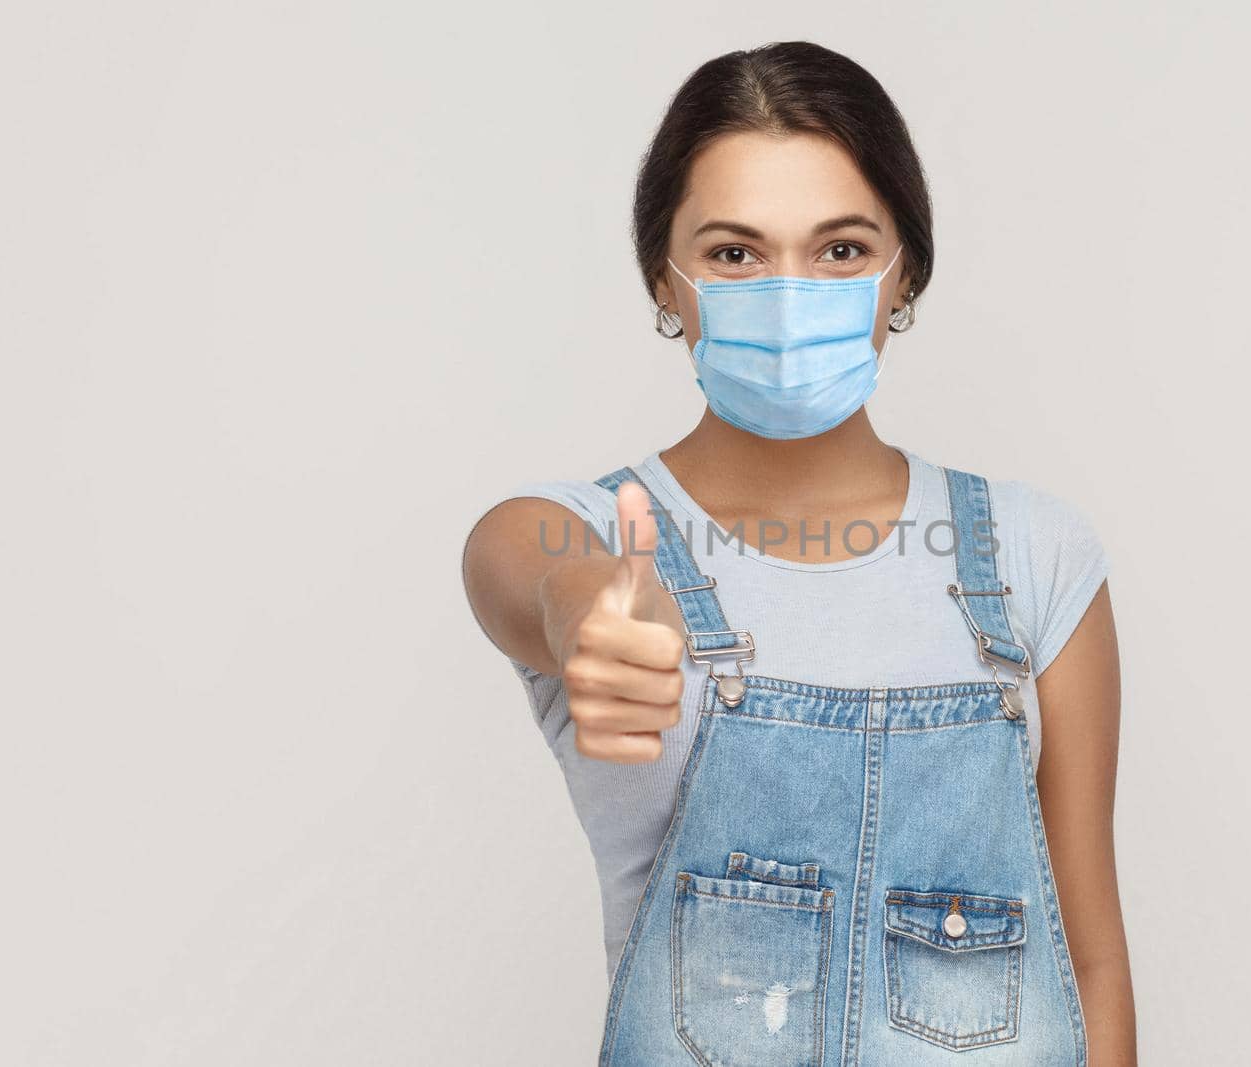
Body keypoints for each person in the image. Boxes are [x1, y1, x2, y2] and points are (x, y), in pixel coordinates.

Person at [464, 40, 1136, 1067]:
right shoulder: (591, 535)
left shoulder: (1036, 555)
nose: (789, 291)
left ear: (901, 269)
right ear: (665, 278)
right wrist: (579, 608)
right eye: (735, 253)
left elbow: (1091, 966)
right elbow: (517, 567)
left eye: (840, 249)